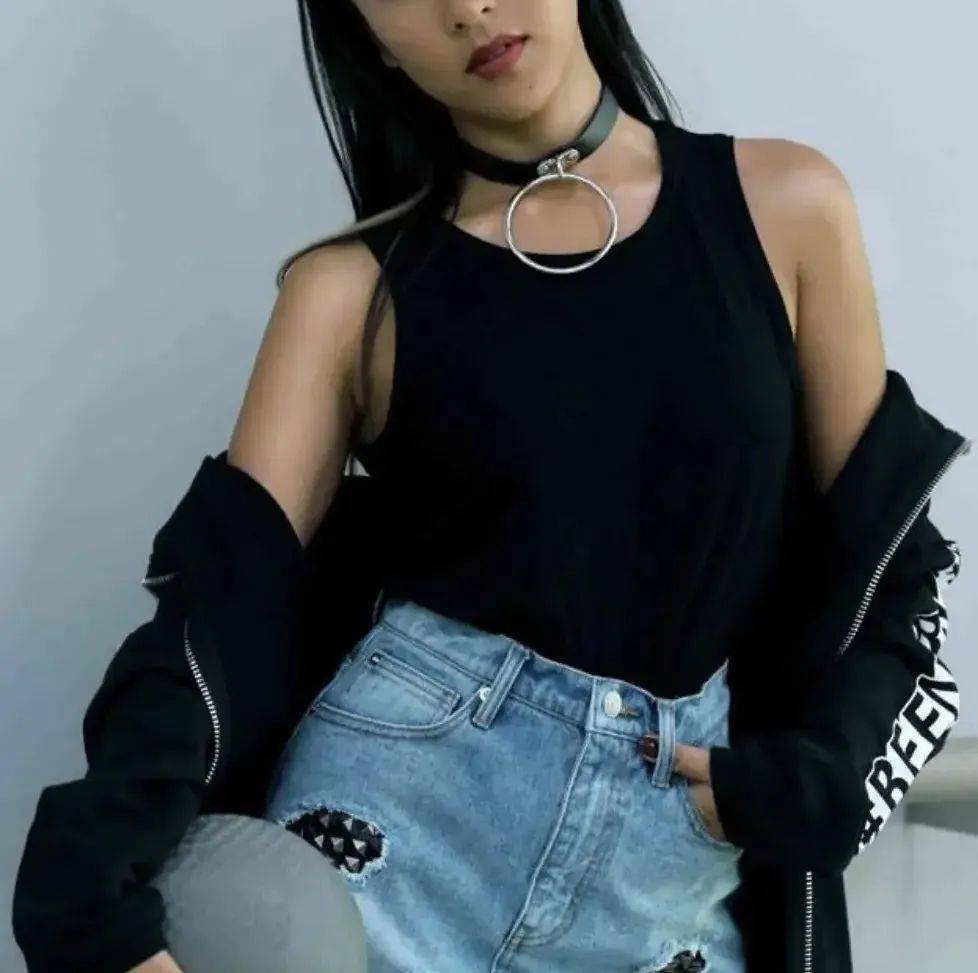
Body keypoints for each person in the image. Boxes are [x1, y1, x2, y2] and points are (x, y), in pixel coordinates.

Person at [12, 1, 971, 972]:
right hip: (383, 855)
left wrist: (820, 781)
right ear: (369, 39)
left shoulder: (787, 209)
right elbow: (218, 611)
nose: (467, 9)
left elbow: (895, 570)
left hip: (667, 887)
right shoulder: (348, 293)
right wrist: (89, 898)